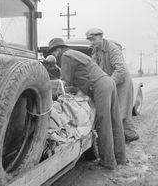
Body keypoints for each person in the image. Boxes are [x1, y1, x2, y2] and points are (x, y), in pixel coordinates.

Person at [46, 38, 126, 170]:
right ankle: (121, 158)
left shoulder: (65, 56)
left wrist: (54, 95)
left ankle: (108, 162)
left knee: (103, 123)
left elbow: (64, 83)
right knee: (115, 120)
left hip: (99, 86)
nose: (54, 57)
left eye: (53, 53)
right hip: (108, 82)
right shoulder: (74, 53)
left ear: (58, 50)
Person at [85, 28, 139, 143]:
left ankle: (125, 137)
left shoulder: (112, 49)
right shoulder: (95, 51)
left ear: (101, 37)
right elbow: (94, 69)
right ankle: (127, 135)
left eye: (94, 39)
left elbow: (120, 69)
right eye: (90, 40)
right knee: (114, 110)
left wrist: (108, 84)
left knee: (120, 110)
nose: (92, 42)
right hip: (110, 81)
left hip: (121, 82)